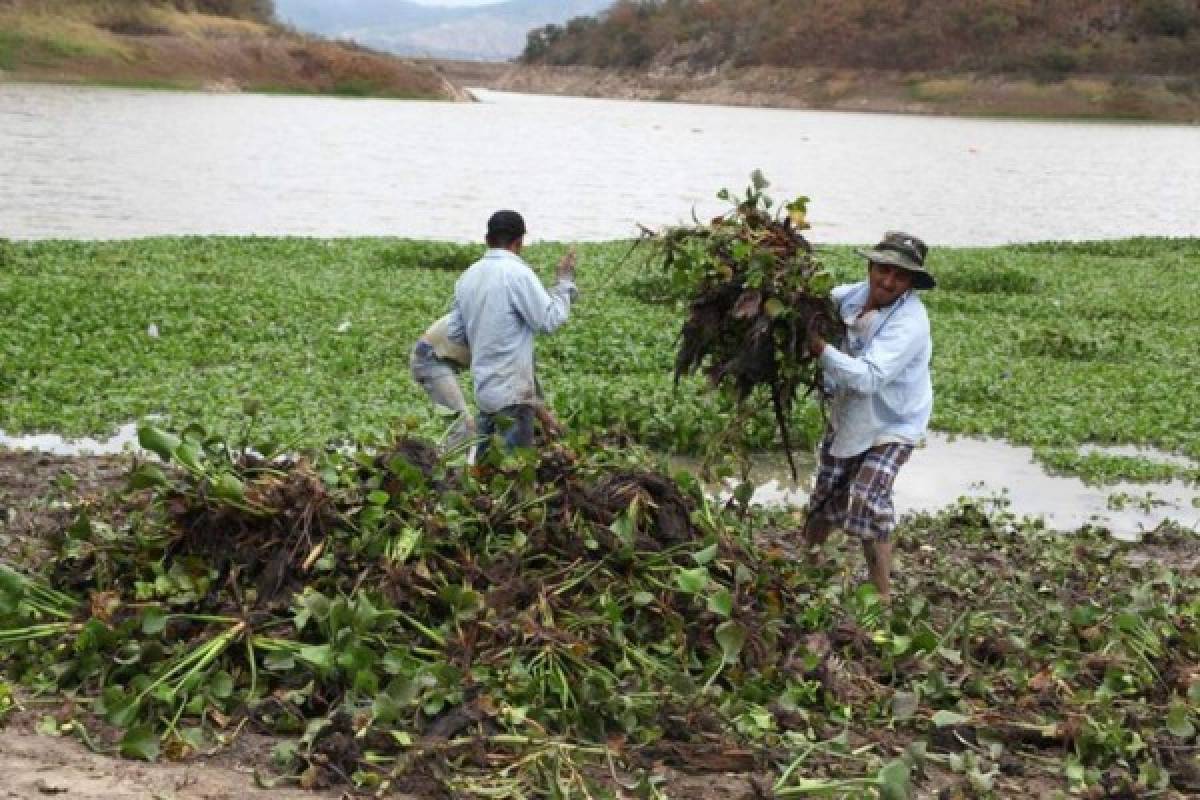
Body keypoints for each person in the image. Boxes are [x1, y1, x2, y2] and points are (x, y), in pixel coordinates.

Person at [803, 231, 936, 603]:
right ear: (871, 267)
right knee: (826, 494)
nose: (888, 282)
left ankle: (882, 595)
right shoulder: (852, 296)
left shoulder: (909, 322)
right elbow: (820, 304)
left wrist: (821, 349)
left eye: (900, 276)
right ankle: (808, 567)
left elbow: (869, 377)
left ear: (911, 283)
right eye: (883, 271)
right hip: (850, 415)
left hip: (894, 421)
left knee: (867, 497)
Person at [446, 210, 577, 450]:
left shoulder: (467, 277)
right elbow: (549, 320)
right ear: (519, 243)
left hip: (484, 393)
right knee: (516, 474)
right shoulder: (518, 274)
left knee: (486, 474)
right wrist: (564, 283)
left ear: (487, 240)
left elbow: (455, 333)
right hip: (513, 397)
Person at [409, 314, 475, 451]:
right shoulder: (495, 318)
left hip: (444, 357)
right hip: (430, 358)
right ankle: (453, 471)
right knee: (462, 425)